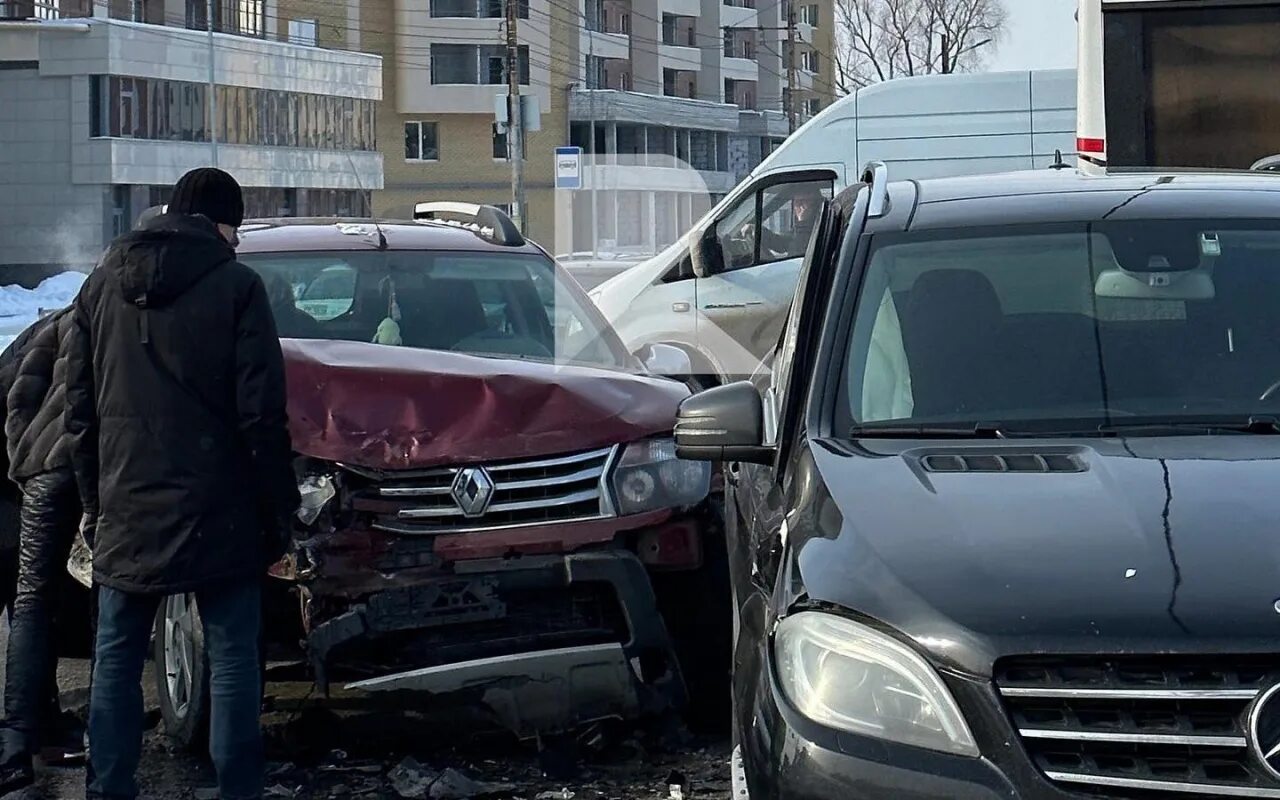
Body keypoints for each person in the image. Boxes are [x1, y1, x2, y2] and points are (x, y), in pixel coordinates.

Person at [65, 167, 300, 800]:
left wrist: (95, 504)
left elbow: (78, 412)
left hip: (126, 507)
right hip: (219, 511)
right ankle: (238, 788)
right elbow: (261, 416)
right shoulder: (237, 287)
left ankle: (107, 787)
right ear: (225, 224)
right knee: (231, 657)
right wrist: (277, 514)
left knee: (116, 657)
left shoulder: (99, 287)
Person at [0, 308, 84, 794]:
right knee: (31, 596)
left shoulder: (58, 323)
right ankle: (26, 734)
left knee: (34, 597)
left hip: (32, 471)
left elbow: (15, 389)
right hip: (36, 472)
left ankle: (32, 734)